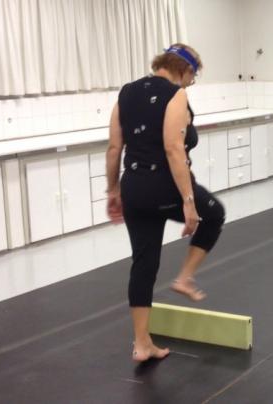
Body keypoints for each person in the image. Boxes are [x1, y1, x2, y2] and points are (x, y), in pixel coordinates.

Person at [104, 44, 226, 362]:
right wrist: (188, 201)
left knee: (144, 263)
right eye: (193, 75)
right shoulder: (176, 95)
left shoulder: (126, 93)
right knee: (214, 214)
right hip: (164, 186)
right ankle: (185, 277)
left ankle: (142, 344)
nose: (192, 83)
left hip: (133, 189)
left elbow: (114, 148)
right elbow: (174, 149)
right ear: (182, 69)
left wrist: (113, 190)